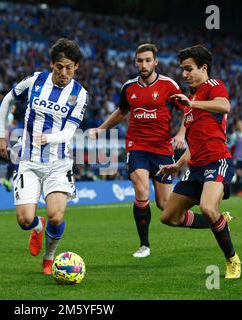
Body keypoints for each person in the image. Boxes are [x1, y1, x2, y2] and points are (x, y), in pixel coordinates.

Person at [0, 38, 87, 275]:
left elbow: (69, 131)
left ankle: (49, 258)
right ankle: (37, 227)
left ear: (76, 66)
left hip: (58, 163)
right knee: (25, 220)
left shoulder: (80, 94)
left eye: (69, 67)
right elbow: (7, 99)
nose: (64, 72)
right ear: (52, 65)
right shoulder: (35, 80)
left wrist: (50, 138)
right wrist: (0, 134)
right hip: (28, 161)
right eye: (59, 67)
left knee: (56, 215)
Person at [89, 43, 186, 258]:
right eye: (140, 61)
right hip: (137, 147)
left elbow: (188, 110)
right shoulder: (128, 88)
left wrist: (181, 135)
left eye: (148, 60)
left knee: (165, 205)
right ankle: (144, 245)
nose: (144, 64)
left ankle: (209, 219)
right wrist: (100, 129)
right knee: (141, 188)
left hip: (161, 150)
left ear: (156, 62)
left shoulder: (169, 85)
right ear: (135, 62)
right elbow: (121, 112)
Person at [157, 45, 241, 279]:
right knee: (169, 217)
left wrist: (191, 104)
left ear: (203, 68)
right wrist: (178, 165)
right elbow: (194, 144)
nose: (184, 74)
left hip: (217, 161)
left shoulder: (212, 86)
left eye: (188, 69)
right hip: (195, 168)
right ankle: (218, 221)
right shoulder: (190, 101)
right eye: (182, 70)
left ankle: (232, 259)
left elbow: (225, 106)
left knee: (207, 206)